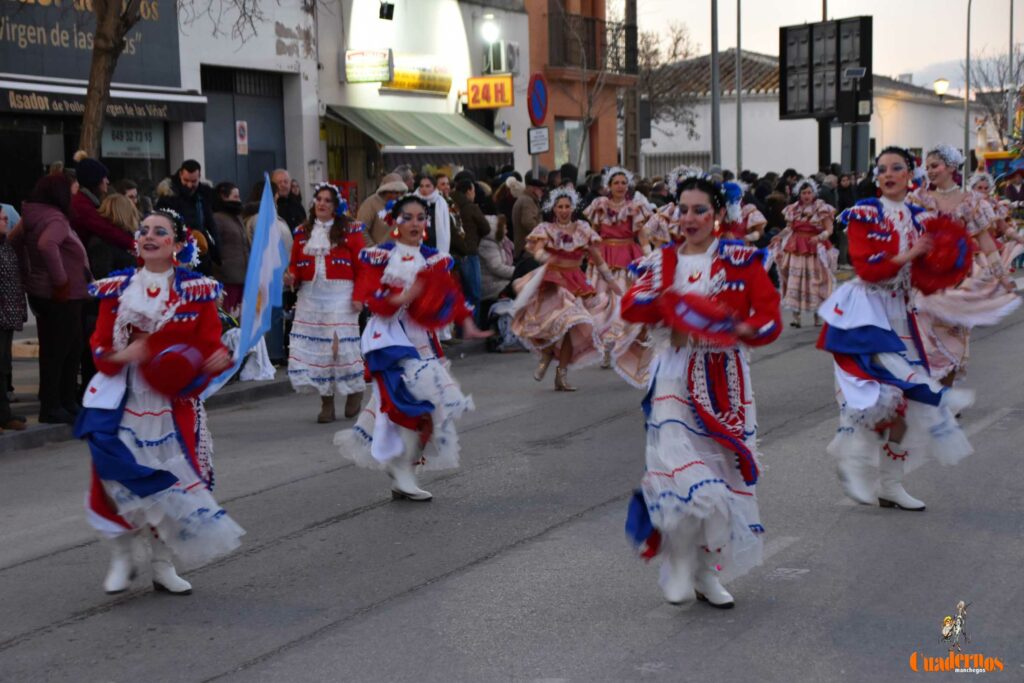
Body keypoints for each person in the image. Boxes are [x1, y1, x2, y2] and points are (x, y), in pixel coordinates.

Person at [620, 175, 781, 609]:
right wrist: (673, 307)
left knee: (723, 478)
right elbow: (631, 305)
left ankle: (706, 571)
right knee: (681, 470)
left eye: (699, 210)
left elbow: (769, 317)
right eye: (683, 209)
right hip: (674, 373)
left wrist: (742, 328)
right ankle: (679, 563)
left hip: (724, 377)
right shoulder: (662, 262)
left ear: (718, 214)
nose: (689, 218)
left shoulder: (741, 260)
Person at [74, 208, 243, 595]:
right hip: (123, 398)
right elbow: (100, 347)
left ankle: (162, 565)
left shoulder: (197, 290)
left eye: (160, 231)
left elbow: (210, 344)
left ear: (178, 244)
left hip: (171, 401)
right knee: (115, 478)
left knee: (171, 483)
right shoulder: (117, 289)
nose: (149, 236)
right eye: (144, 230)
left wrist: (215, 359)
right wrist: (122, 355)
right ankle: (122, 556)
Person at [817, 146, 975, 512]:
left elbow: (927, 271)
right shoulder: (866, 213)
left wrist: (949, 270)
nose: (888, 174)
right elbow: (867, 267)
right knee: (877, 393)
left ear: (909, 175)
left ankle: (890, 484)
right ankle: (853, 458)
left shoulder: (920, 217)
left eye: (896, 167)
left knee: (906, 404)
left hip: (901, 312)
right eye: (882, 168)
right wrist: (911, 254)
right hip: (866, 312)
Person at [335, 194, 490, 501]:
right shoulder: (380, 257)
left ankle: (402, 471)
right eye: (408, 218)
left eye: (420, 217)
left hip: (423, 342)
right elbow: (371, 297)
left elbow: (450, 294)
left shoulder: (432, 258)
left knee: (429, 408)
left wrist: (467, 322)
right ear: (395, 222)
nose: (415, 223)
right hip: (391, 341)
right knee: (408, 405)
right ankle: (403, 473)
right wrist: (401, 298)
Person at [910, 144, 1019, 385]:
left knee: (953, 343)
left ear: (951, 167)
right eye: (927, 167)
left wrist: (1003, 278)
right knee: (924, 341)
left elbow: (986, 243)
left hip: (957, 281)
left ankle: (944, 392)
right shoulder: (918, 199)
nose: (930, 171)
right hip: (923, 279)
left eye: (935, 165)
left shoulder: (971, 202)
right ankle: (931, 393)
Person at [511, 186, 619, 390]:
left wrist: (611, 280)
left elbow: (597, 257)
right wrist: (546, 257)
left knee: (571, 326)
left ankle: (561, 375)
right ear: (553, 209)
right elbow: (537, 250)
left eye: (567, 206)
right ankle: (547, 353)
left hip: (576, 280)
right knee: (560, 324)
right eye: (559, 207)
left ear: (573, 207)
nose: (563, 210)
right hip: (554, 280)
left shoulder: (582, 229)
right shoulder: (546, 229)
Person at [283, 183, 366, 423]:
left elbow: (362, 267)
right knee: (320, 350)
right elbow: (295, 265)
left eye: (327, 200)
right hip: (311, 297)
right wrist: (291, 277)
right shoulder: (302, 232)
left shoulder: (350, 230)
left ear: (336, 206)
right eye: (319, 199)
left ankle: (354, 389)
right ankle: (326, 402)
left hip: (341, 295)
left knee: (339, 348)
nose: (322, 203)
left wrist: (360, 296)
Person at [18, 175, 89, 424]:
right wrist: (61, 281)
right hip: (62, 295)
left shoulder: (33, 215)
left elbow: (15, 241)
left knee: (60, 348)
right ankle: (56, 404)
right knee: (64, 350)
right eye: (72, 191)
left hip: (44, 291)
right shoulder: (56, 218)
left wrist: (28, 272)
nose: (74, 196)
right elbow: (47, 245)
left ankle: (63, 401)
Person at [581, 167, 652, 367]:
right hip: (603, 258)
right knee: (602, 305)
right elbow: (593, 234)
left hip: (628, 258)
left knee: (624, 303)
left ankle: (624, 346)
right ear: (609, 186)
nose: (620, 186)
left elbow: (642, 236)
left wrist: (650, 257)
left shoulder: (635, 207)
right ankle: (605, 348)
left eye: (623, 183)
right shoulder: (600, 205)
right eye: (616, 183)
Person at [772, 178, 836, 328]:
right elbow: (789, 228)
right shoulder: (793, 209)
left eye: (809, 192)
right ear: (799, 194)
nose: (806, 195)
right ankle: (796, 318)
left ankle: (817, 317)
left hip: (814, 249)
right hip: (795, 247)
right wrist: (779, 236)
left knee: (815, 281)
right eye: (803, 193)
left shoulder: (821, 208)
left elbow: (829, 229)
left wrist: (819, 237)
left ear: (814, 193)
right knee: (794, 280)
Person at [156, 160, 218, 273]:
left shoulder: (204, 194)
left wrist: (216, 252)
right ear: (180, 175)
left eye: (193, 181)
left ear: (199, 177)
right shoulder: (168, 196)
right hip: (177, 253)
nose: (189, 185)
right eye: (186, 180)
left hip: (202, 252)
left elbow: (211, 224)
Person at [0, 208, 27, 432]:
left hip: (7, 314)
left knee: (4, 365)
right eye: (1, 218)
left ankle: (4, 414)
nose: (6, 221)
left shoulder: (5, 245)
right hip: (2, 313)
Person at [452, 178, 490, 325]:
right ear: (468, 191)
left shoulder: (450, 205)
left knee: (460, 293)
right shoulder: (471, 207)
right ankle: (472, 327)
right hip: (469, 253)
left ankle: (460, 327)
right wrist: (475, 238)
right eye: (473, 191)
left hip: (453, 254)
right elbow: (486, 228)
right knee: (474, 293)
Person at [212, 182, 250, 315]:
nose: (239, 200)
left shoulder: (237, 217)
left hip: (242, 275)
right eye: (235, 197)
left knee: (241, 314)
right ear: (223, 196)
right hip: (227, 277)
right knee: (228, 313)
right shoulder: (217, 218)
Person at [357, 174, 407, 246]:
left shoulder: (404, 203)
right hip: (378, 250)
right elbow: (361, 229)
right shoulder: (370, 204)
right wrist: (373, 248)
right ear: (385, 191)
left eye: (401, 192)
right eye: (395, 192)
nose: (398, 196)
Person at [478, 214, 515, 308]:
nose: (506, 230)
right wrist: (516, 272)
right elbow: (497, 267)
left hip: (496, 280)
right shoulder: (488, 244)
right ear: (496, 228)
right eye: (504, 227)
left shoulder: (497, 242)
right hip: (491, 285)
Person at [413, 174, 451, 254]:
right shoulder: (413, 200)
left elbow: (445, 227)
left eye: (427, 186)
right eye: (421, 186)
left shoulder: (441, 202)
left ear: (434, 187)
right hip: (417, 244)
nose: (424, 189)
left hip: (435, 245)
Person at [511, 178, 545, 259]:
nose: (542, 193)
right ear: (533, 189)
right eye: (540, 190)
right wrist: (542, 233)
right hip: (527, 249)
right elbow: (528, 222)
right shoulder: (527, 201)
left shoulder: (525, 199)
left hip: (524, 247)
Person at [272, 169, 306, 233]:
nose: (283, 185)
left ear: (290, 184)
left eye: (286, 182)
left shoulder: (297, 205)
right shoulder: (270, 206)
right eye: (279, 182)